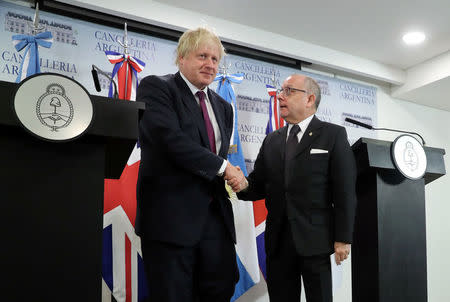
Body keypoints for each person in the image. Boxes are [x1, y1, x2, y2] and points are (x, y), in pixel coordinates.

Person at [135, 27, 245, 302]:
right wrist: (224, 168)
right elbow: (169, 140)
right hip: (170, 220)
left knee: (221, 289)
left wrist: (231, 172)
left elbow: (213, 153)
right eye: (202, 56)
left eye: (215, 59)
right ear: (181, 58)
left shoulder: (223, 106)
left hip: (215, 221)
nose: (210, 65)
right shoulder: (157, 87)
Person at [229, 74, 357, 302]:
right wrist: (241, 184)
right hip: (278, 242)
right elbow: (259, 185)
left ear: (309, 99)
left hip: (315, 241)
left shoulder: (333, 135)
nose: (280, 96)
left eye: (289, 91)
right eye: (281, 91)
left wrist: (343, 238)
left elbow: (345, 190)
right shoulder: (272, 140)